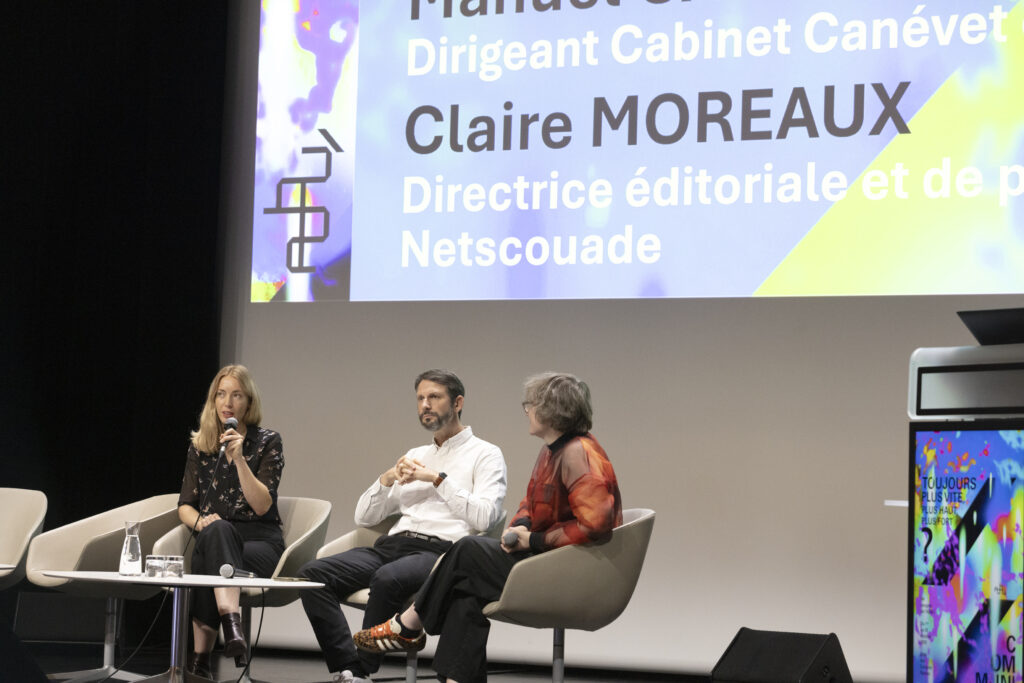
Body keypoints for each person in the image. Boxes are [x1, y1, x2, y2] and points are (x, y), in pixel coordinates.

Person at [353, 372, 622, 683]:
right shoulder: (551, 450)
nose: (527, 412)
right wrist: (518, 529)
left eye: (531, 405)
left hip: (570, 569)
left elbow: (595, 525)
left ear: (553, 410)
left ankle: (409, 624)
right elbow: (530, 504)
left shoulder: (578, 453)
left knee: (467, 548)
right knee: (466, 590)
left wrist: (534, 540)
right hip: (545, 559)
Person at [299, 369, 507, 683]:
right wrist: (386, 479)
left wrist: (436, 479)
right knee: (311, 576)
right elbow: (364, 517)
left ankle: (362, 670)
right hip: (392, 546)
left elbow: (486, 517)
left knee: (387, 579)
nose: (425, 405)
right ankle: (349, 666)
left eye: (434, 397)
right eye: (420, 398)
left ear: (458, 403)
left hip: (439, 553)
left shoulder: (486, 454)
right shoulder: (415, 455)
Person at [177, 364, 284, 677]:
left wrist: (239, 459)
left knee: (209, 558)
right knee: (216, 534)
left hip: (259, 545)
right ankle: (232, 628)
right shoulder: (201, 446)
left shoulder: (268, 442)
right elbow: (185, 506)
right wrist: (202, 524)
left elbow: (262, 506)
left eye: (236, 395)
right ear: (213, 401)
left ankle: (200, 661)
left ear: (248, 402)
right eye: (221, 394)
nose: (228, 402)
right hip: (216, 537)